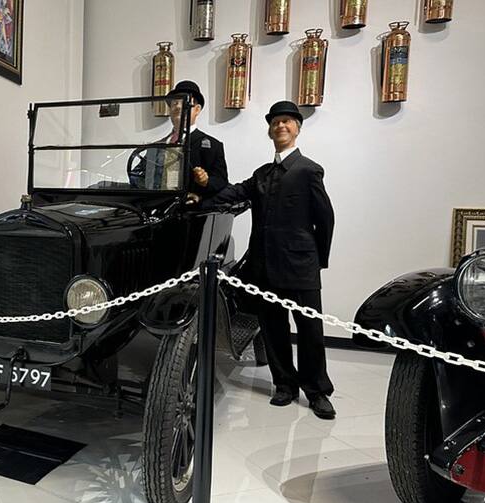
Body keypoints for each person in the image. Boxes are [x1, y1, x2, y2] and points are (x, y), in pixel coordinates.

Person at [213, 100, 337, 419]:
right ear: (269, 131)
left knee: (310, 331)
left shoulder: (309, 169)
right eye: (275, 122)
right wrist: (201, 191)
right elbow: (232, 193)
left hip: (301, 267)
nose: (281, 126)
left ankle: (317, 390)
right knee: (273, 329)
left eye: (287, 121)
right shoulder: (262, 175)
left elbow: (325, 219)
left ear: (297, 128)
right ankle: (284, 385)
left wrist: (317, 260)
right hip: (264, 267)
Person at [129, 81, 228, 201]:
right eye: (175, 103)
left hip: (190, 212)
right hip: (154, 209)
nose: (179, 107)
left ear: (197, 110)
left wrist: (205, 181)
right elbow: (138, 174)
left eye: (185, 103)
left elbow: (221, 181)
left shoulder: (213, 146)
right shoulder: (157, 146)